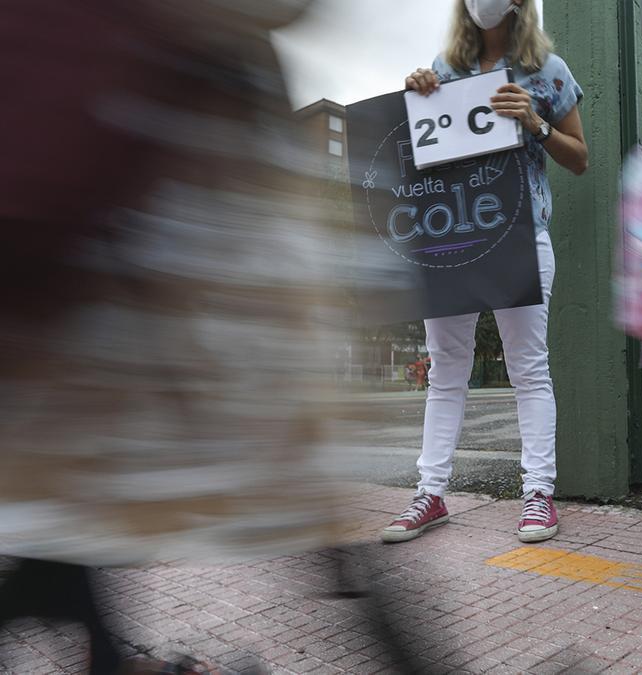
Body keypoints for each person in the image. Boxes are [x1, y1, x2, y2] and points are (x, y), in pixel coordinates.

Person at [0, 0, 356, 671]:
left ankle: (104, 651)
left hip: (92, 188)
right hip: (127, 181)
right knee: (88, 462)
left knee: (70, 483)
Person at [381, 0, 588, 545]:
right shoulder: (443, 70)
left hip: (520, 233)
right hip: (453, 235)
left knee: (528, 367)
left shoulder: (549, 71)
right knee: (447, 366)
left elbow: (580, 157)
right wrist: (414, 96)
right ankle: (431, 491)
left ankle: (538, 494)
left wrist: (535, 121)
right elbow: (416, 150)